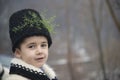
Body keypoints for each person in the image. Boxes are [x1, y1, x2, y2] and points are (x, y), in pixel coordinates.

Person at [6, 9, 58, 80]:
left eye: (43, 45)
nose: (39, 51)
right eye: (31, 46)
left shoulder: (47, 76)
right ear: (18, 52)